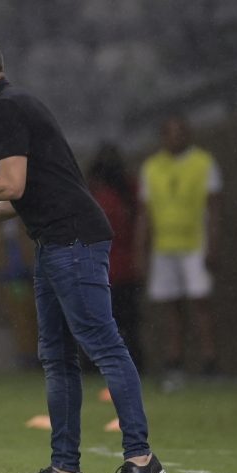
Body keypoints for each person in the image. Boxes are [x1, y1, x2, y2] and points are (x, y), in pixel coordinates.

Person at [0, 35, 165, 473]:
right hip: (56, 241)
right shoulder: (8, 106)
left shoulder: (5, 107)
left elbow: (11, 184)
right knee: (57, 357)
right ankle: (65, 469)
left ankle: (141, 458)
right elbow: (24, 194)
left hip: (74, 240)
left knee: (103, 345)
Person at [134, 115, 222, 391]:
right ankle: (175, 361)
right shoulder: (151, 167)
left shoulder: (203, 163)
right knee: (170, 306)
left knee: (200, 302)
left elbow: (215, 208)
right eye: (170, 133)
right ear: (163, 137)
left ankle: (209, 361)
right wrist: (140, 248)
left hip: (195, 243)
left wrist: (213, 244)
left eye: (180, 132)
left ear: (188, 134)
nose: (176, 138)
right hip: (164, 247)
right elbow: (144, 213)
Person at [87, 142, 143, 371]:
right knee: (122, 324)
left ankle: (106, 367)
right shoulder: (123, 192)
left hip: (111, 269)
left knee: (106, 324)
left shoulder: (106, 193)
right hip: (113, 269)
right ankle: (126, 366)